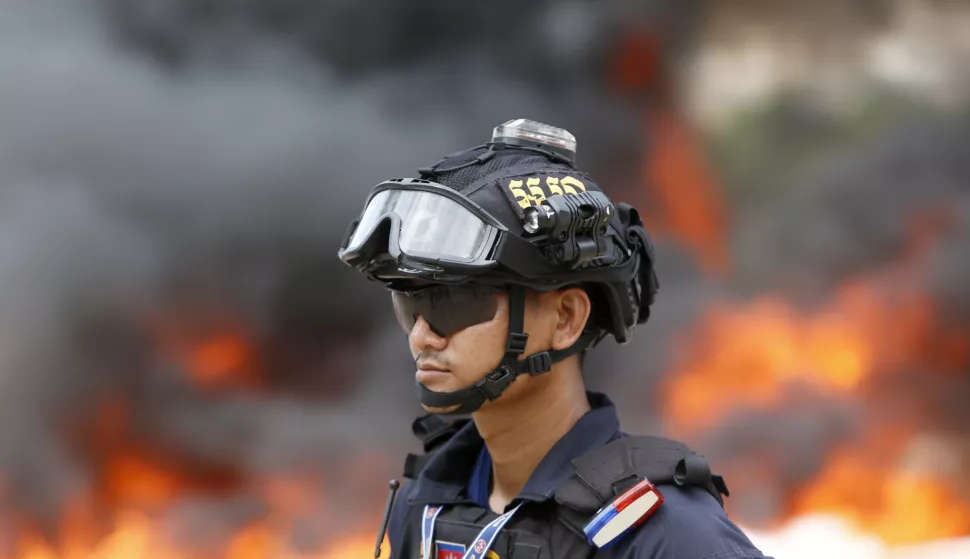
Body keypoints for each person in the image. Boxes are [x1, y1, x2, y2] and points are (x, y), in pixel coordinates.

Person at [338, 120, 771, 559]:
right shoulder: (425, 502)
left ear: (566, 318)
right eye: (409, 304)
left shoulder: (667, 534)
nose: (421, 336)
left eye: (453, 303)